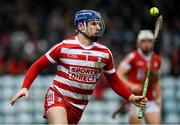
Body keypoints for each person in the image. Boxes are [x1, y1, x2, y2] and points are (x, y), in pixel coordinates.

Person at [10, 10, 147, 124]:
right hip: (58, 96)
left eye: (99, 24)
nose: (98, 27)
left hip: (79, 106)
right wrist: (25, 87)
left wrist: (131, 97)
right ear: (81, 26)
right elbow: (37, 66)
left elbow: (114, 81)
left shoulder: (105, 53)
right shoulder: (63, 47)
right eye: (94, 24)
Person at [112, 30, 161, 124]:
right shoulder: (132, 57)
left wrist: (159, 97)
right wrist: (132, 85)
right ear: (138, 43)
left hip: (150, 99)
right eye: (143, 41)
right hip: (136, 99)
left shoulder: (156, 59)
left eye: (149, 41)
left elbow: (157, 80)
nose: (146, 44)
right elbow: (119, 74)